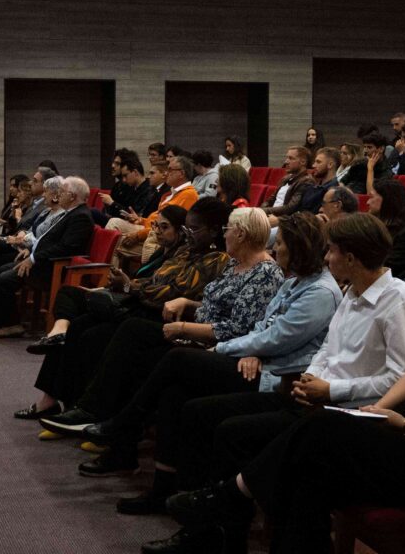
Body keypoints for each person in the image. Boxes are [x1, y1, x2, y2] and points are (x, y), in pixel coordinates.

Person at [157, 221, 405, 554]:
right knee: (309, 473)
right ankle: (226, 509)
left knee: (322, 432)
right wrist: (377, 413)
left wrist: (403, 424)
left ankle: (227, 497)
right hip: (403, 434)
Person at [144, 214, 405, 548]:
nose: (327, 258)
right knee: (202, 412)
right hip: (314, 397)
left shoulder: (401, 300)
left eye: (333, 251)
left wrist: (329, 389)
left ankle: (217, 515)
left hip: (350, 414)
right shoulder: (352, 291)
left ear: (351, 258)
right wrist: (312, 378)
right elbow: (327, 348)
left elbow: (401, 377)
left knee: (234, 432)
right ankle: (213, 531)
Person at [87, 213, 341, 514]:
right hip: (254, 361)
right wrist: (251, 350)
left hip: (276, 376)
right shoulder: (295, 281)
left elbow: (277, 338)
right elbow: (264, 328)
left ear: (297, 249)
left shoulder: (320, 292)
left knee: (176, 360)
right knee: (175, 392)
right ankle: (164, 491)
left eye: (282, 244)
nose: (276, 250)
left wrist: (223, 348)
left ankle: (124, 424)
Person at [40, 207, 283, 446]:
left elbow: (237, 329)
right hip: (190, 326)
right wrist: (188, 304)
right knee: (103, 330)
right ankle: (93, 418)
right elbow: (210, 305)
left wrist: (184, 327)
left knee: (133, 335)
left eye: (227, 229)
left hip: (211, 343)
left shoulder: (264, 273)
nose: (224, 234)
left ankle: (100, 417)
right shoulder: (234, 265)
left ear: (241, 234)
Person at [19, 202, 228, 421]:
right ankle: (61, 401)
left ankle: (88, 408)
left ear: (214, 231)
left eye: (193, 230)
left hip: (159, 314)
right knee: (79, 324)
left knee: (92, 334)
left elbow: (172, 292)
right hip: (142, 304)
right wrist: (132, 285)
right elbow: (155, 280)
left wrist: (131, 286)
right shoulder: (186, 252)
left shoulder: (216, 259)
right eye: (186, 229)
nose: (188, 235)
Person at [0, 176, 94, 338]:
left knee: (3, 279)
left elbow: (65, 248)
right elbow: (48, 239)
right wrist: (31, 251)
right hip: (41, 260)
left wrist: (34, 258)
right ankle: (8, 321)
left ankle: (5, 325)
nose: (59, 195)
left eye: (62, 192)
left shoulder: (80, 216)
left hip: (52, 267)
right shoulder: (70, 212)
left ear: (72, 196)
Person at [367, 178, 405, 276]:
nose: (367, 202)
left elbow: (390, 269)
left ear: (387, 200)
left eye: (371, 197)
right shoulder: (371, 227)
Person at [262, 147, 314, 218]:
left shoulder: (306, 181)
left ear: (303, 162)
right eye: (287, 158)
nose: (286, 162)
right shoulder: (285, 178)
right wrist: (261, 211)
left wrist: (263, 211)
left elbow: (290, 208)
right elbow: (270, 200)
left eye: (291, 158)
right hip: (270, 216)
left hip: (283, 221)